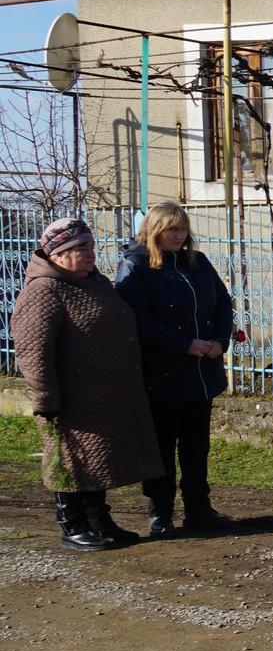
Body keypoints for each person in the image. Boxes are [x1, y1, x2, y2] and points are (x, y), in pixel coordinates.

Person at [16, 217, 163, 550]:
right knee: (71, 460)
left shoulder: (94, 283)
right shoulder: (43, 291)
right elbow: (32, 352)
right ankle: (72, 526)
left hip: (104, 396)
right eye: (79, 247)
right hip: (70, 399)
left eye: (91, 246)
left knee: (96, 461)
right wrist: (46, 401)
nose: (89, 253)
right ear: (57, 253)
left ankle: (100, 521)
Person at [115, 202, 234, 537]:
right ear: (155, 230)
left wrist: (218, 340)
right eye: (172, 229)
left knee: (197, 446)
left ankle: (198, 507)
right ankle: (160, 512)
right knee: (162, 447)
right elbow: (137, 318)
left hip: (202, 371)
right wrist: (184, 345)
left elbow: (223, 301)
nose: (179, 235)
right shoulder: (135, 267)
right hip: (162, 374)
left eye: (182, 228)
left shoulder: (197, 261)